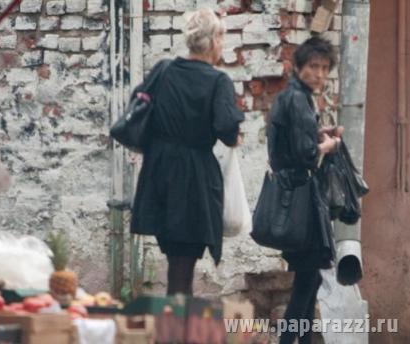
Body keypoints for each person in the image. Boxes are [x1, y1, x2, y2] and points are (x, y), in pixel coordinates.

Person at [130, 8, 244, 296]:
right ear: (215, 40)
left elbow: (139, 108)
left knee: (177, 260)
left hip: (159, 173)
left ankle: (174, 328)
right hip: (193, 178)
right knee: (182, 270)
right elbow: (227, 129)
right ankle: (174, 332)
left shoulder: (164, 70)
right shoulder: (218, 82)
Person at [265, 37, 343, 344]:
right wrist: (330, 144)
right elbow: (306, 153)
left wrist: (317, 133)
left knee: (308, 284)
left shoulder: (292, 97)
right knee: (306, 284)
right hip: (301, 201)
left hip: (295, 196)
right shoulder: (297, 99)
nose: (320, 74)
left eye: (325, 68)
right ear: (298, 67)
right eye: (313, 67)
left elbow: (294, 142)